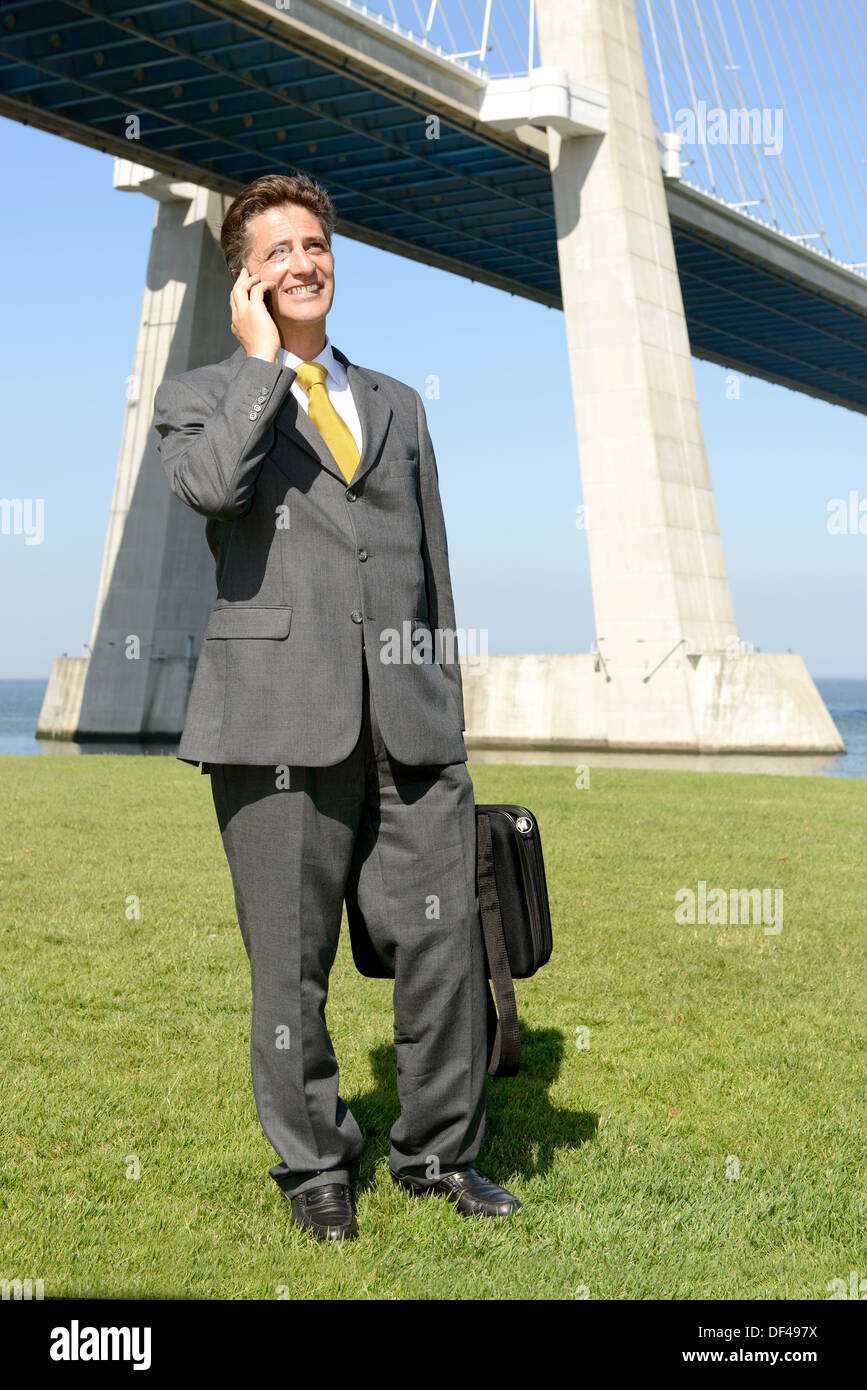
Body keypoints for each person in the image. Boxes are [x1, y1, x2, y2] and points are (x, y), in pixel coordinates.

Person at [152, 172, 522, 1241]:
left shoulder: (400, 404)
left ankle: (438, 1156)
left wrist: (443, 699)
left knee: (445, 945)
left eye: (313, 243)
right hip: (272, 721)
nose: (302, 262)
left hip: (411, 721)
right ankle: (315, 1164)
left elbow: (429, 568)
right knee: (290, 963)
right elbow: (218, 489)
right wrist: (264, 366)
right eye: (276, 251)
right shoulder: (200, 398)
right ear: (242, 280)